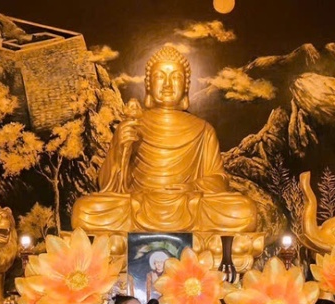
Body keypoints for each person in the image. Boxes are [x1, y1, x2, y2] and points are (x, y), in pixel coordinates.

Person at [70, 45, 256, 234]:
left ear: (186, 86)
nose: (167, 85)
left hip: (188, 203)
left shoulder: (203, 129)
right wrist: (119, 150)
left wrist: (191, 187)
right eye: (160, 77)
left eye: (176, 77)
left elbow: (218, 179)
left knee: (244, 212)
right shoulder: (133, 125)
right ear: (149, 85)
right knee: (83, 211)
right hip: (138, 204)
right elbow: (107, 186)